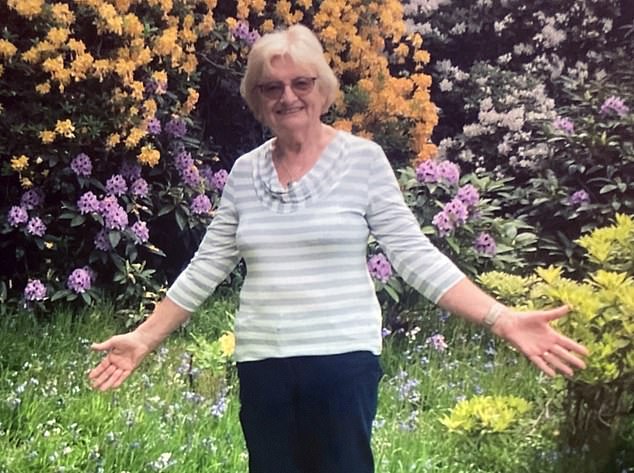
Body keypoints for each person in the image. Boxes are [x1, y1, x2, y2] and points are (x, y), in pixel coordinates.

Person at [89, 24, 588, 473]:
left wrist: (502, 319)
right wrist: (144, 338)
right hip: (264, 363)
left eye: (301, 83)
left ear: (323, 89)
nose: (288, 96)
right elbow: (206, 266)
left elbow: (414, 256)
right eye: (272, 87)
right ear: (258, 98)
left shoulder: (362, 161)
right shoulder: (244, 173)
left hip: (343, 361)